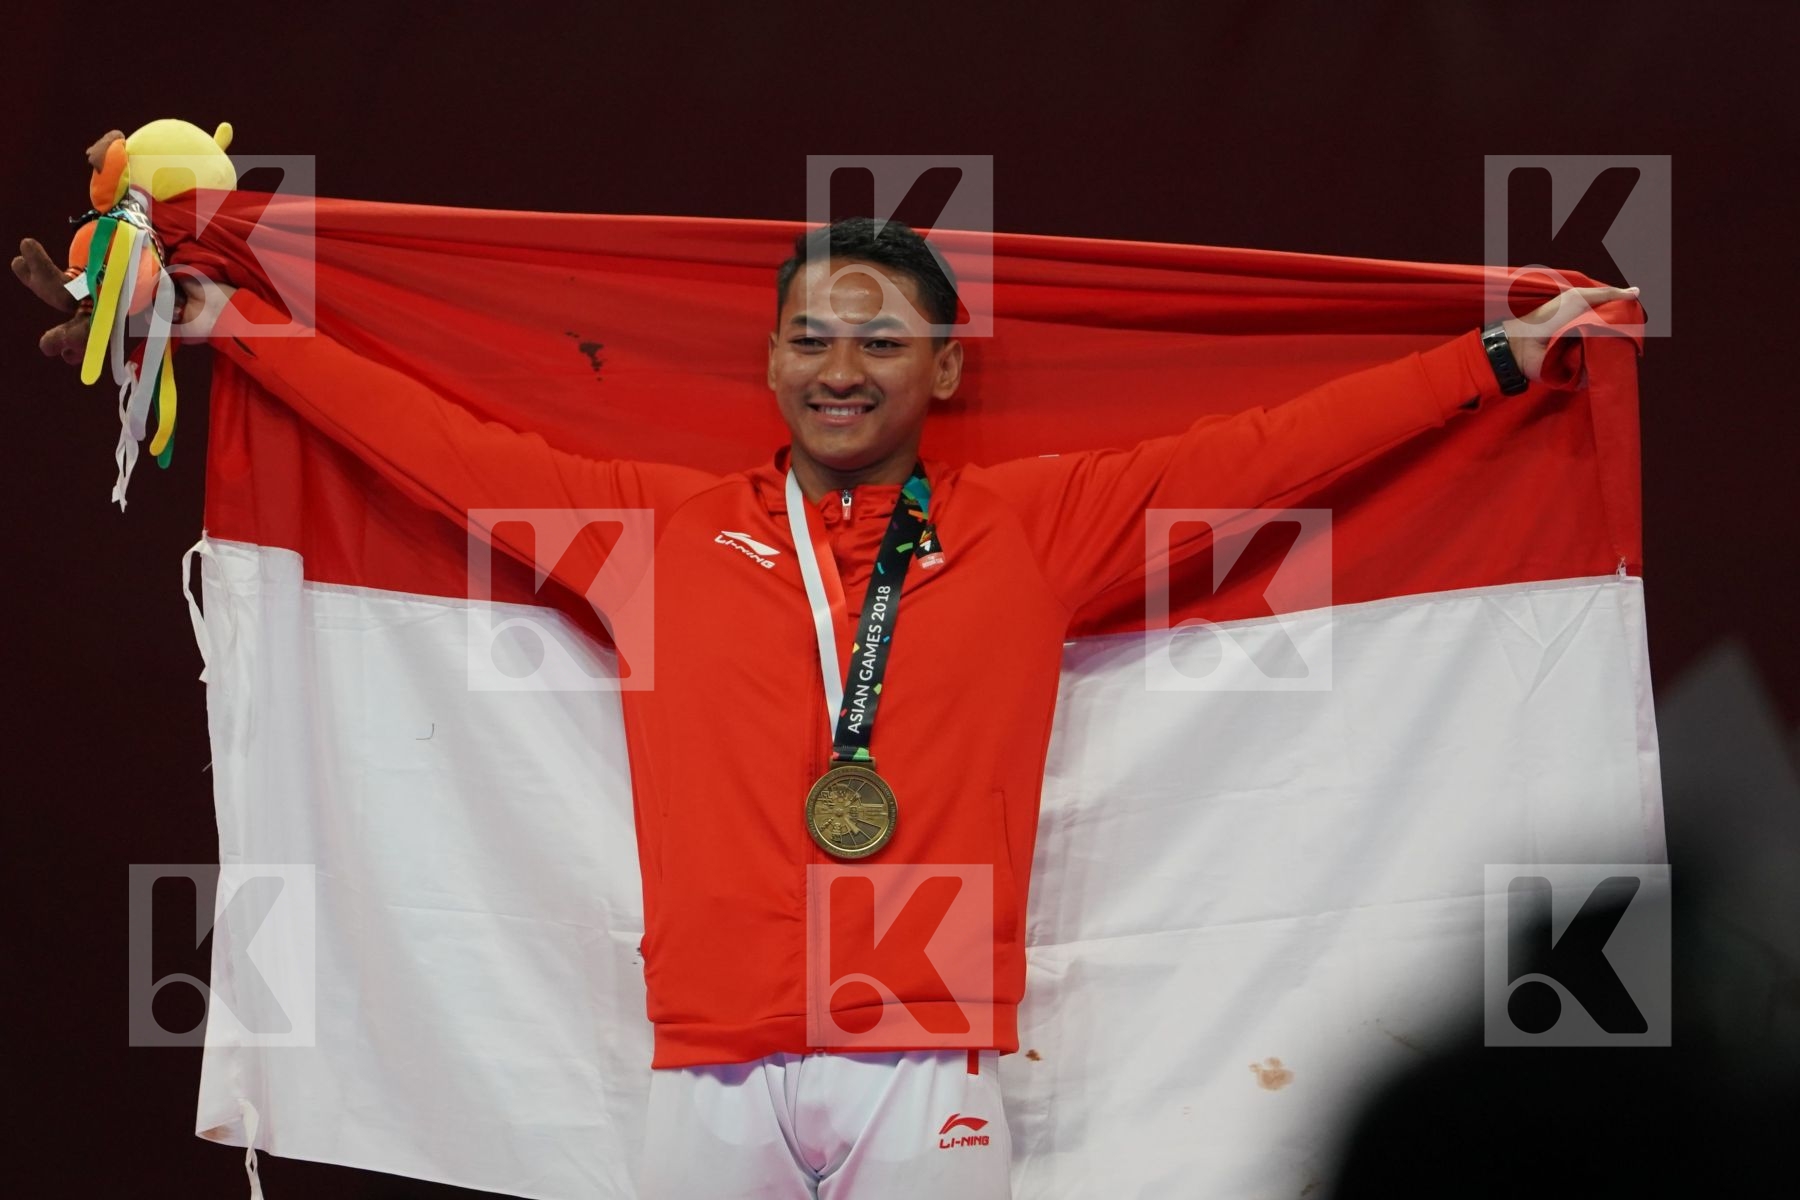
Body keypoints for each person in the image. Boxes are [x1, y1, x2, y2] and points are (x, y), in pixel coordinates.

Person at [21, 217, 1634, 1199]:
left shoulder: (1040, 529)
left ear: (942, 368)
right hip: (705, 1066)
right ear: (770, 361)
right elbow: (436, 446)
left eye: (881, 338)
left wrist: (1490, 360)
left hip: (930, 1063)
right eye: (810, 336)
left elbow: (1270, 453)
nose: (840, 364)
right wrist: (236, 328)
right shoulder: (652, 534)